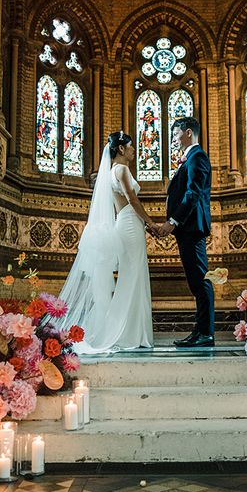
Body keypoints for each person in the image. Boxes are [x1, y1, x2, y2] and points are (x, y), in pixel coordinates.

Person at [56, 131, 154, 352]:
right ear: (120, 148)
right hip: (130, 223)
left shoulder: (111, 172)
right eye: (130, 146)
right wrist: (150, 222)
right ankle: (127, 333)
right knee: (133, 277)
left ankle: (131, 331)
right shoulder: (122, 169)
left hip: (124, 221)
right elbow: (132, 199)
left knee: (132, 276)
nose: (133, 150)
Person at [154, 117, 215, 347]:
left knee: (200, 280)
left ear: (188, 132)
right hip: (188, 228)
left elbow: (193, 193)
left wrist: (173, 221)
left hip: (191, 226)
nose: (173, 138)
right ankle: (200, 332)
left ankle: (206, 333)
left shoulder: (197, 157)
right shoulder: (190, 158)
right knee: (196, 281)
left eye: (176, 133)